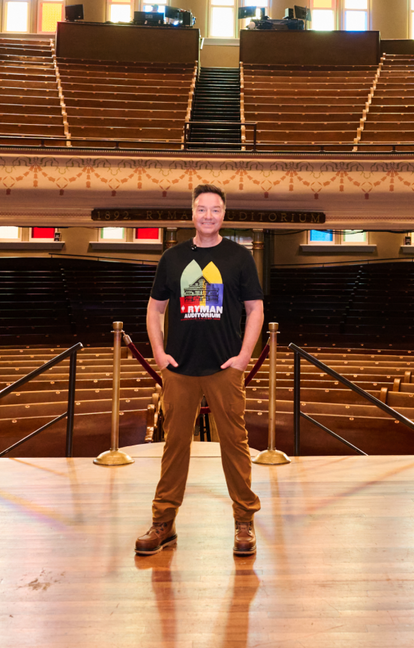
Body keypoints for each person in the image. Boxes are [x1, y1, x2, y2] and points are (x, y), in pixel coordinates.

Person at [135, 184, 264, 557]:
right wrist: (159, 351)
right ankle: (164, 522)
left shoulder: (239, 257)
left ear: (224, 214)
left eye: (215, 209)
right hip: (180, 367)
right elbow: (155, 309)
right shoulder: (172, 258)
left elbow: (255, 309)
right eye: (202, 209)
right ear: (192, 213)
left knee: (235, 446)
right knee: (174, 445)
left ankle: (244, 520)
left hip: (225, 367)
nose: (208, 215)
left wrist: (243, 356)